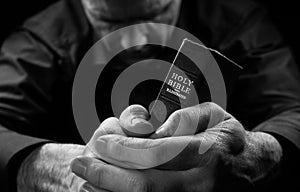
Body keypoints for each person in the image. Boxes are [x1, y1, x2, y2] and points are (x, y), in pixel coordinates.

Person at [0, 0, 300, 191]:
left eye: (152, 16)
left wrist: (249, 154)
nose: (132, 42)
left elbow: (292, 112)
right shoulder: (42, 39)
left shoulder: (238, 22)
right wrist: (58, 167)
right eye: (112, 26)